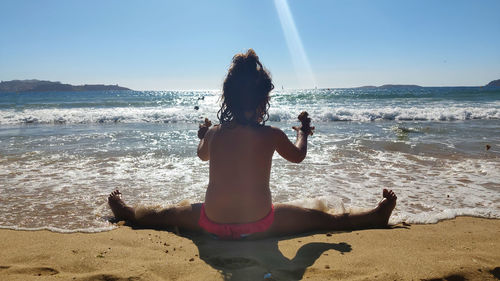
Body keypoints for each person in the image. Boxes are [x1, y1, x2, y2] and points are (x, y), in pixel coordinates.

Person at [108, 49, 397, 240]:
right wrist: (304, 133)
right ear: (263, 100)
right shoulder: (270, 134)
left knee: (165, 214)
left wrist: (203, 135)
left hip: (212, 222)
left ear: (228, 99)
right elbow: (298, 156)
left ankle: (126, 211)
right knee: (321, 219)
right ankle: (375, 216)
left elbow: (201, 156)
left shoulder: (216, 133)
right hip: (260, 223)